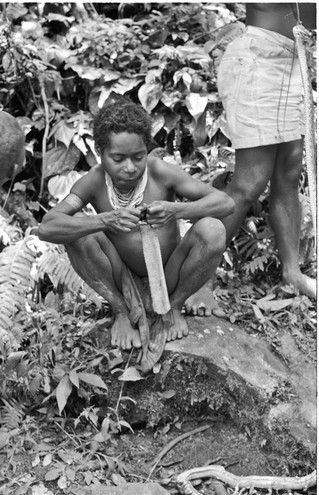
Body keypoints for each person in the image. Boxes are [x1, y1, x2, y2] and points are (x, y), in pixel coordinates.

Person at [38, 99, 234, 358]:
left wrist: (175, 210)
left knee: (213, 230)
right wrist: (106, 220)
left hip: (169, 274)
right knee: (79, 234)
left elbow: (225, 202)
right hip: (123, 279)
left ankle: (173, 307)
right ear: (100, 152)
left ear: (146, 151)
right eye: (118, 158)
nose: (129, 168)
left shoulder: (159, 172)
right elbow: (48, 227)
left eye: (138, 157)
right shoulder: (94, 181)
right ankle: (121, 312)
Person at [186, 2, 317, 318]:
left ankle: (292, 273)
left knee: (288, 174)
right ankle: (196, 281)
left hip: (293, 61)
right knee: (250, 182)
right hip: (258, 58)